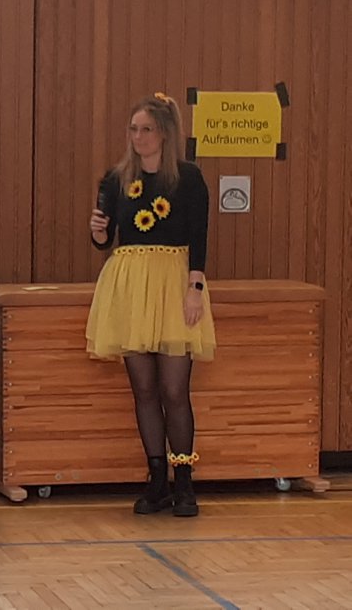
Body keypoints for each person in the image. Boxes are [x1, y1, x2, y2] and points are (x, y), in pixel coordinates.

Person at [86, 92, 216, 518]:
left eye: (147, 129)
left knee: (174, 389)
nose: (138, 137)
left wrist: (195, 288)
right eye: (133, 129)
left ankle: (184, 481)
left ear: (164, 134)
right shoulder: (115, 179)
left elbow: (199, 236)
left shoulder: (188, 178)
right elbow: (105, 239)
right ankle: (156, 479)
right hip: (131, 283)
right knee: (143, 389)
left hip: (173, 281)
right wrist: (98, 231)